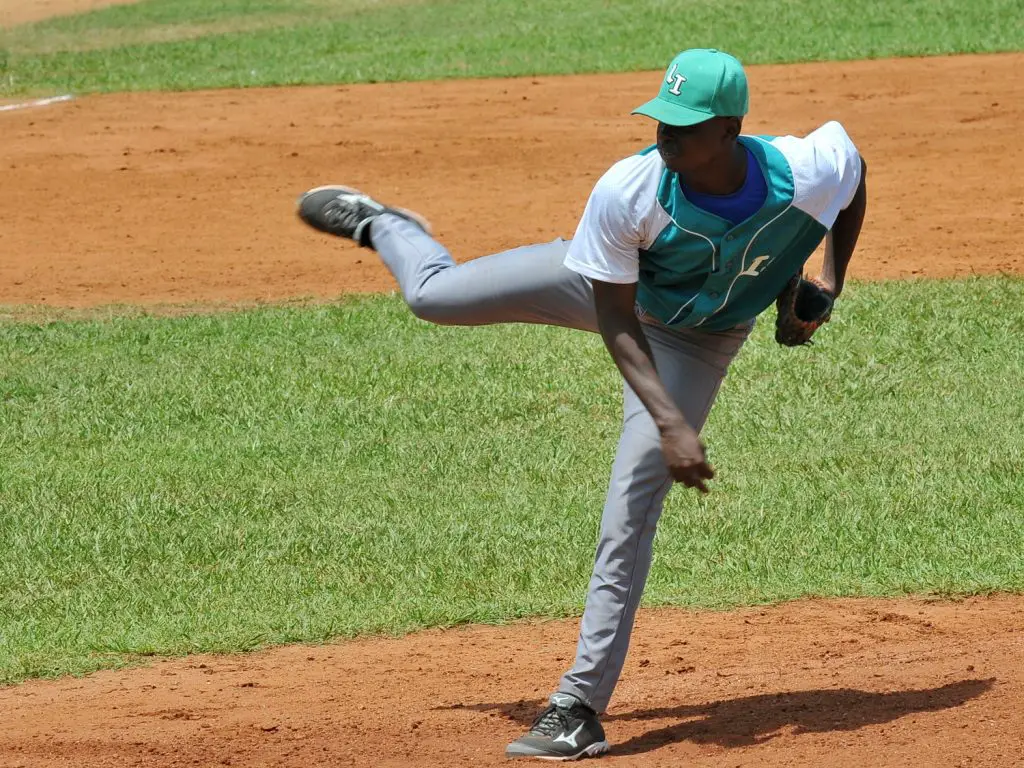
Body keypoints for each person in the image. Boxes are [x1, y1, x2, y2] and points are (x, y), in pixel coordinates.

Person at [296, 48, 867, 761]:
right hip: (611, 295)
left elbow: (855, 176)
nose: (666, 136)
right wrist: (670, 423)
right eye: (661, 119)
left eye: (685, 127)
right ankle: (386, 225)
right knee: (431, 297)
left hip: (702, 340)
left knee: (631, 506)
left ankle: (576, 707)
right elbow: (617, 320)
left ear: (729, 129)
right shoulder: (631, 190)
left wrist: (825, 284)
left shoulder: (810, 167)